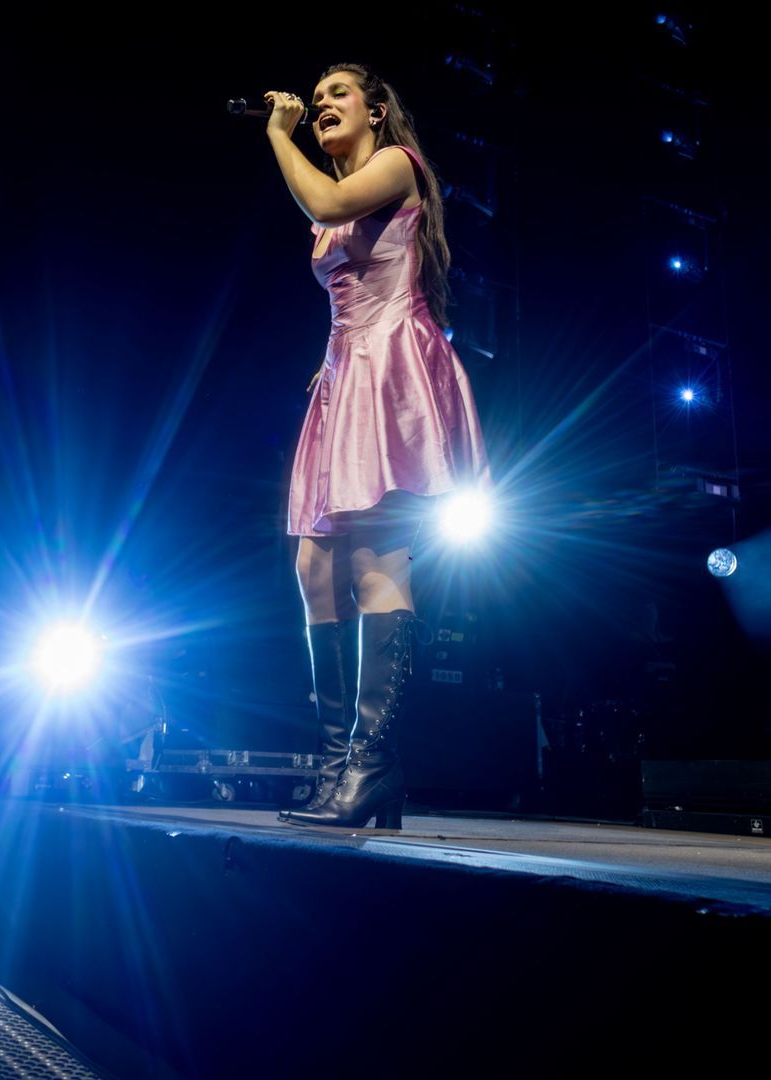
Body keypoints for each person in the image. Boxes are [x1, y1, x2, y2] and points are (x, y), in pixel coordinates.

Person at [263, 64, 489, 829]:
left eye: (337, 94)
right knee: (313, 563)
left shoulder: (399, 165)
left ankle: (374, 767)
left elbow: (327, 200)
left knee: (375, 561)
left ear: (377, 109)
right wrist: (327, 369)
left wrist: (276, 134)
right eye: (315, 96)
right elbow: (339, 265)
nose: (321, 104)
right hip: (343, 375)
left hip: (393, 371)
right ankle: (337, 768)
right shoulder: (326, 203)